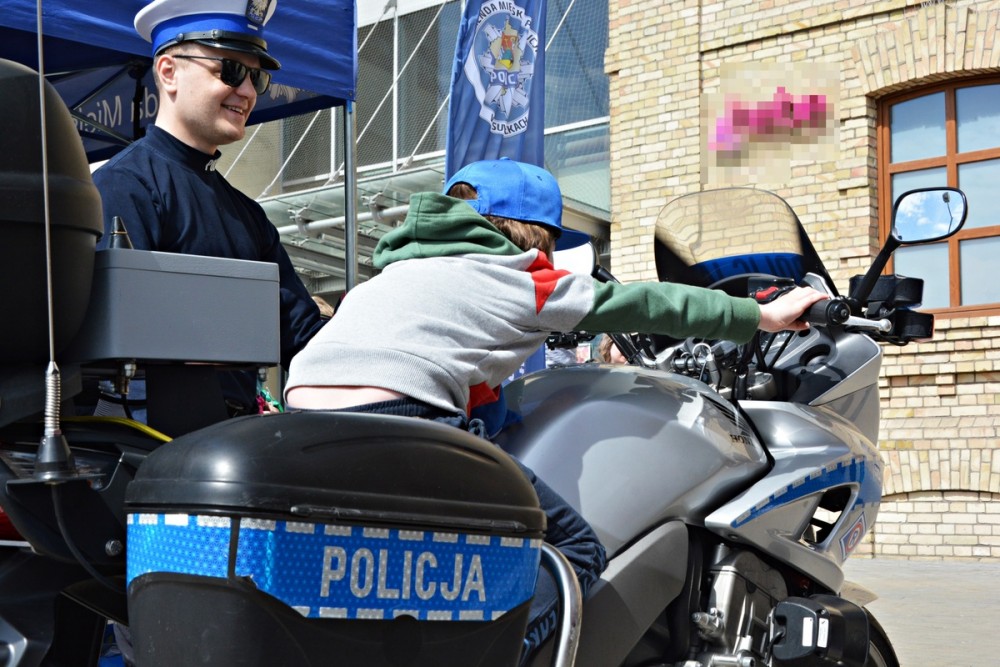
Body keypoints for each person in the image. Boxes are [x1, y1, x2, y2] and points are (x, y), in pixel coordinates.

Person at [283, 157, 829, 660]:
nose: (548, 255)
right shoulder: (516, 276)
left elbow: (470, 384)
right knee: (574, 547)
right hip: (403, 416)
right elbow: (645, 303)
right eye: (549, 241)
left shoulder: (393, 276)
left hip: (299, 425)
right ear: (530, 232)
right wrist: (761, 316)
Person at [92, 0, 323, 422]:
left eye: (256, 77)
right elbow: (117, 343)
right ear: (168, 72)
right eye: (230, 71)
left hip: (230, 435)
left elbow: (304, 336)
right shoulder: (126, 185)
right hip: (151, 439)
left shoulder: (247, 213)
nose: (248, 92)